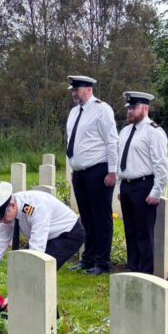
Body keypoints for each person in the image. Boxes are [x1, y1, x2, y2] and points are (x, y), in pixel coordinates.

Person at [0, 182, 85, 286]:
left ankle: (44, 304)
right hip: (47, 235)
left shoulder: (34, 207)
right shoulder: (10, 209)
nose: (1, 221)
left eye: (2, 217)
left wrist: (20, 291)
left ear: (13, 205)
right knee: (23, 264)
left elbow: (37, 250)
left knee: (42, 270)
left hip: (68, 234)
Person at [65, 75, 119, 276]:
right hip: (80, 173)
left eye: (76, 89)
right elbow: (73, 140)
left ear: (88, 89)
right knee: (87, 217)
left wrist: (112, 171)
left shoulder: (102, 109)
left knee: (101, 217)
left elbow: (111, 141)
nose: (73, 93)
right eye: (73, 89)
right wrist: (73, 168)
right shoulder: (74, 112)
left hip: (98, 169)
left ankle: (102, 262)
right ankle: (87, 258)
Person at [116, 91, 168, 274]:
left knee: (144, 233)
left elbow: (161, 163)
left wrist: (157, 191)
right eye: (129, 107)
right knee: (130, 231)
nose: (130, 111)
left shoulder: (153, 131)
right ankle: (133, 268)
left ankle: (145, 272)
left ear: (145, 109)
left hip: (144, 185)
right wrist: (120, 185)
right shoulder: (125, 131)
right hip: (127, 185)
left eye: (134, 107)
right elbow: (120, 161)